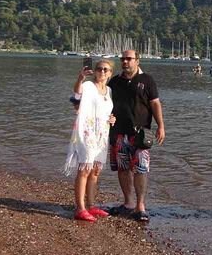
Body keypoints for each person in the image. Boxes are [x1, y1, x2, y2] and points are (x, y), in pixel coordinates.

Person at [108, 50, 166, 222]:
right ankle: (127, 203)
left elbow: (155, 103)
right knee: (123, 168)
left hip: (142, 133)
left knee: (141, 169)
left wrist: (161, 126)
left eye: (129, 59)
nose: (125, 62)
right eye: (123, 59)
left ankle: (140, 206)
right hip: (118, 132)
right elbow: (105, 101)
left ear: (137, 61)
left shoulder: (147, 80)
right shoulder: (115, 81)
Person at [64, 60, 116, 222]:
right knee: (85, 168)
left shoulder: (108, 90)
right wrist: (80, 79)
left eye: (105, 70)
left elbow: (106, 110)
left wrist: (112, 118)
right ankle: (80, 208)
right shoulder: (88, 86)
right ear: (94, 71)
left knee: (95, 170)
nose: (101, 72)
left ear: (110, 73)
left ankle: (91, 205)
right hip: (87, 131)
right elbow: (77, 95)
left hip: (102, 132)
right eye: (99, 69)